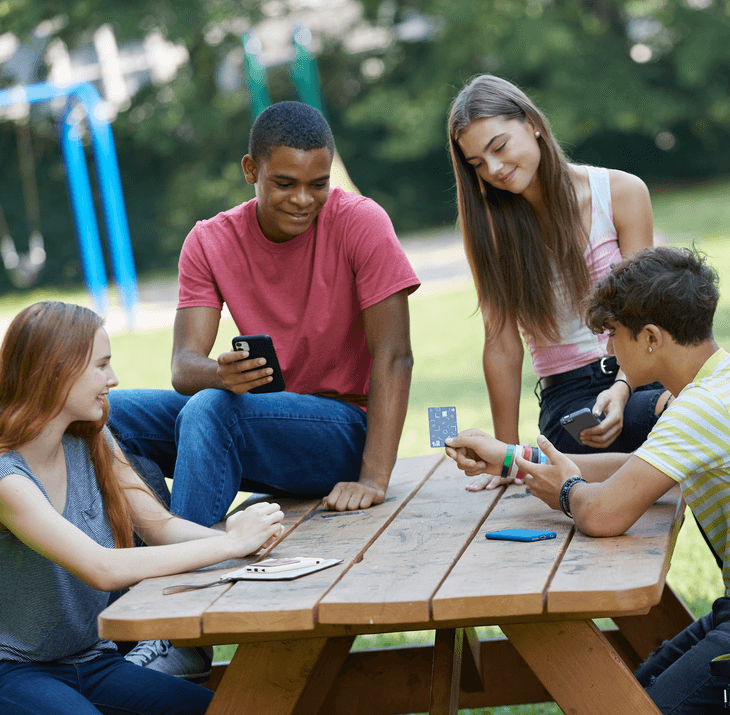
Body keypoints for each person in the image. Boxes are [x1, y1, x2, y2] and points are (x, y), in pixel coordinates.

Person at [106, 101, 419, 673]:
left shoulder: (360, 221)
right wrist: (220, 372)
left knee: (210, 411)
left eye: (317, 184)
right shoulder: (209, 239)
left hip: (340, 430)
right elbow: (183, 365)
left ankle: (182, 635)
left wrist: (373, 478)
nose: (303, 199)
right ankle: (141, 572)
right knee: (105, 415)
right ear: (250, 170)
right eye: (285, 183)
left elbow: (394, 356)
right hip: (251, 420)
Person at [446, 245, 730, 713]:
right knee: (626, 695)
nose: (608, 349)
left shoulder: (699, 408)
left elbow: (601, 513)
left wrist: (567, 492)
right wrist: (511, 459)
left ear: (652, 338)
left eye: (614, 334)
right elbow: (634, 468)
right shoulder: (705, 391)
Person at [0, 301, 285, 715]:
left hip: (92, 660)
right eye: (101, 366)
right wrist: (230, 545)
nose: (113, 379)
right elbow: (102, 568)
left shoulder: (92, 440)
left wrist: (241, 542)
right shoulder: (8, 478)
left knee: (219, 710)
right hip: (15, 671)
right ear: (56, 371)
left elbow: (159, 526)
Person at [447, 74, 672, 489]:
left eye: (499, 147)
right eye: (477, 163)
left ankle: (529, 462)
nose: (493, 169)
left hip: (640, 376)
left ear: (532, 122)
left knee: (686, 416)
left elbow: (648, 310)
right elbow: (500, 343)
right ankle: (525, 460)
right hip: (568, 401)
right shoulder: (491, 231)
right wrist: (505, 445)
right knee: (673, 429)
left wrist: (622, 388)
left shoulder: (621, 193)